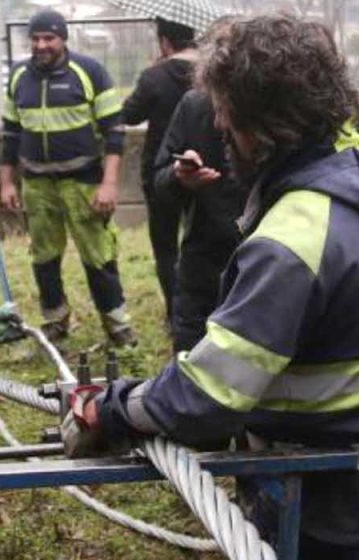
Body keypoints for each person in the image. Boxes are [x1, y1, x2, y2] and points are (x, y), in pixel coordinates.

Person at [62, 16, 359, 560]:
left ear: (263, 125)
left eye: (227, 113)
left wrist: (113, 409)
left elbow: (210, 394)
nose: (219, 125)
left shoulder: (297, 240)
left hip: (344, 472)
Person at [0, 8, 136, 346]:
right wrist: (6, 182)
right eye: (35, 38)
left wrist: (109, 184)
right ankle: (55, 323)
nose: (41, 45)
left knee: (99, 256)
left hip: (84, 184)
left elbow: (115, 133)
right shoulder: (18, 76)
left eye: (49, 38)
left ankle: (118, 328)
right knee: (44, 258)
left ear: (63, 39)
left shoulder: (90, 72)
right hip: (37, 185)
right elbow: (10, 134)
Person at [151, 88, 247, 353]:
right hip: (205, 262)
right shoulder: (195, 105)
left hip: (268, 261)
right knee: (192, 361)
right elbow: (160, 180)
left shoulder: (290, 107)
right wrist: (178, 176)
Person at [122, 18, 199, 330]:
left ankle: (174, 313)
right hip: (208, 168)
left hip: (163, 169)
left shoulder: (155, 76)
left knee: (166, 247)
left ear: (165, 41)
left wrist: (154, 71)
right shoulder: (213, 72)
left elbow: (129, 113)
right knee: (203, 241)